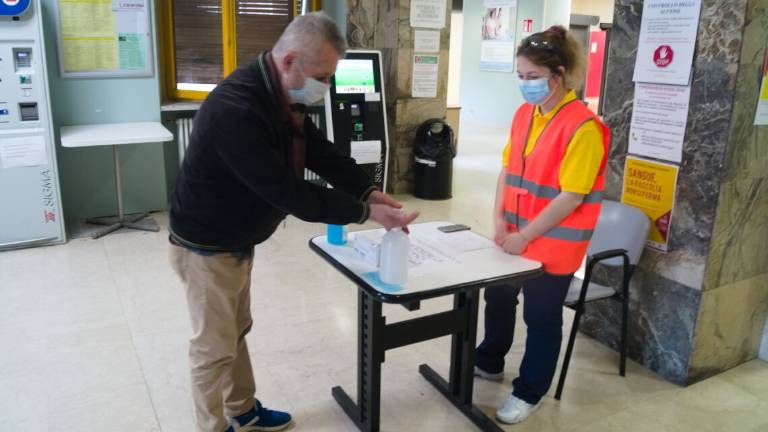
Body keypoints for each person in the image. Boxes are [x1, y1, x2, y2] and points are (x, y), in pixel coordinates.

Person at [168, 12, 418, 432]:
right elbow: (288, 192)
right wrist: (364, 213)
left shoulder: (279, 94)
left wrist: (366, 191)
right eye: (322, 75)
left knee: (235, 331)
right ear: (288, 61)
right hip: (207, 246)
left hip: (236, 238)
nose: (325, 86)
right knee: (213, 349)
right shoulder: (237, 108)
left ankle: (242, 409)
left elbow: (317, 150)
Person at [474, 25, 610, 424]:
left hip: (552, 245)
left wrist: (525, 236)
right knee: (497, 298)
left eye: (533, 77)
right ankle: (489, 360)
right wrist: (499, 219)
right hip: (513, 235)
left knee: (541, 316)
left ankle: (530, 390)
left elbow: (571, 196)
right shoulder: (524, 114)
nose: (525, 85)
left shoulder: (584, 127)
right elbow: (507, 168)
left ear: (560, 75)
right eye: (520, 76)